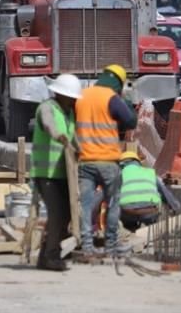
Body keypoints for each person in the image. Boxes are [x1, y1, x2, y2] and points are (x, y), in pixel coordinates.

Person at [75, 63, 137, 259]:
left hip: (85, 160)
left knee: (85, 204)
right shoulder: (111, 97)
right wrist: (124, 101)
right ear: (118, 83)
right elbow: (131, 121)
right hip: (108, 161)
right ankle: (110, 246)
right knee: (112, 203)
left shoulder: (82, 95)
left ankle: (86, 245)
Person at [31, 73, 82, 272]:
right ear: (60, 94)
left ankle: (46, 255)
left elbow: (73, 137)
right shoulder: (47, 107)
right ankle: (51, 256)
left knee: (68, 214)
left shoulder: (69, 113)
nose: (74, 101)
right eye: (71, 97)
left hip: (64, 174)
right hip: (46, 173)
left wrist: (80, 150)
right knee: (57, 213)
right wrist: (56, 135)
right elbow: (48, 123)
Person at [117, 150, 181, 233]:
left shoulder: (119, 175)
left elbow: (105, 194)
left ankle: (131, 230)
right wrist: (175, 206)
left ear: (121, 164)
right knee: (154, 214)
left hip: (128, 213)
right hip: (150, 212)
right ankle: (150, 231)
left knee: (116, 206)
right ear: (138, 162)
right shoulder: (150, 173)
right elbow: (163, 191)